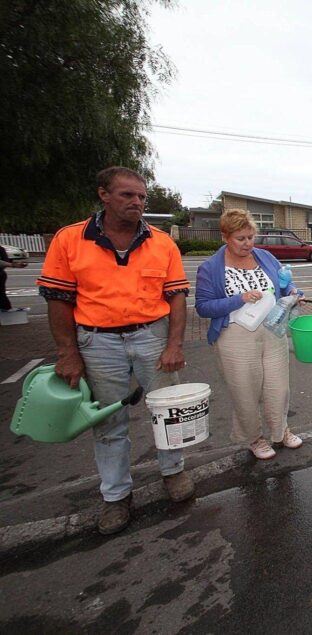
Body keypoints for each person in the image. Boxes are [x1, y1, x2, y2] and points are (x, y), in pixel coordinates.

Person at [37, 166, 194, 535]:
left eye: (141, 196)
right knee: (108, 422)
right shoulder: (70, 239)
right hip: (97, 341)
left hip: (151, 337)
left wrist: (174, 344)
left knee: (167, 411)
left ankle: (174, 472)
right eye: (127, 195)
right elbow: (58, 300)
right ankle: (116, 496)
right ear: (104, 195)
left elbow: (176, 297)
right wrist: (67, 352)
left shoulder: (161, 243)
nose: (136, 202)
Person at [195, 209, 303, 460]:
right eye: (240, 238)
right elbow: (203, 307)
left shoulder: (265, 257)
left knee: (278, 386)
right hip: (235, 336)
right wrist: (238, 299)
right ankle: (255, 438)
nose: (247, 244)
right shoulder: (210, 267)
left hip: (272, 329)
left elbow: (284, 283)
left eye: (251, 237)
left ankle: (280, 430)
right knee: (245, 389)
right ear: (225, 237)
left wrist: (294, 291)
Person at [0, 244, 28, 311]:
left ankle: (6, 310)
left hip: (0, 274)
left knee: (1, 295)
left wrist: (12, 264)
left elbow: (5, 262)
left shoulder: (1, 249)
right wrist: (12, 264)